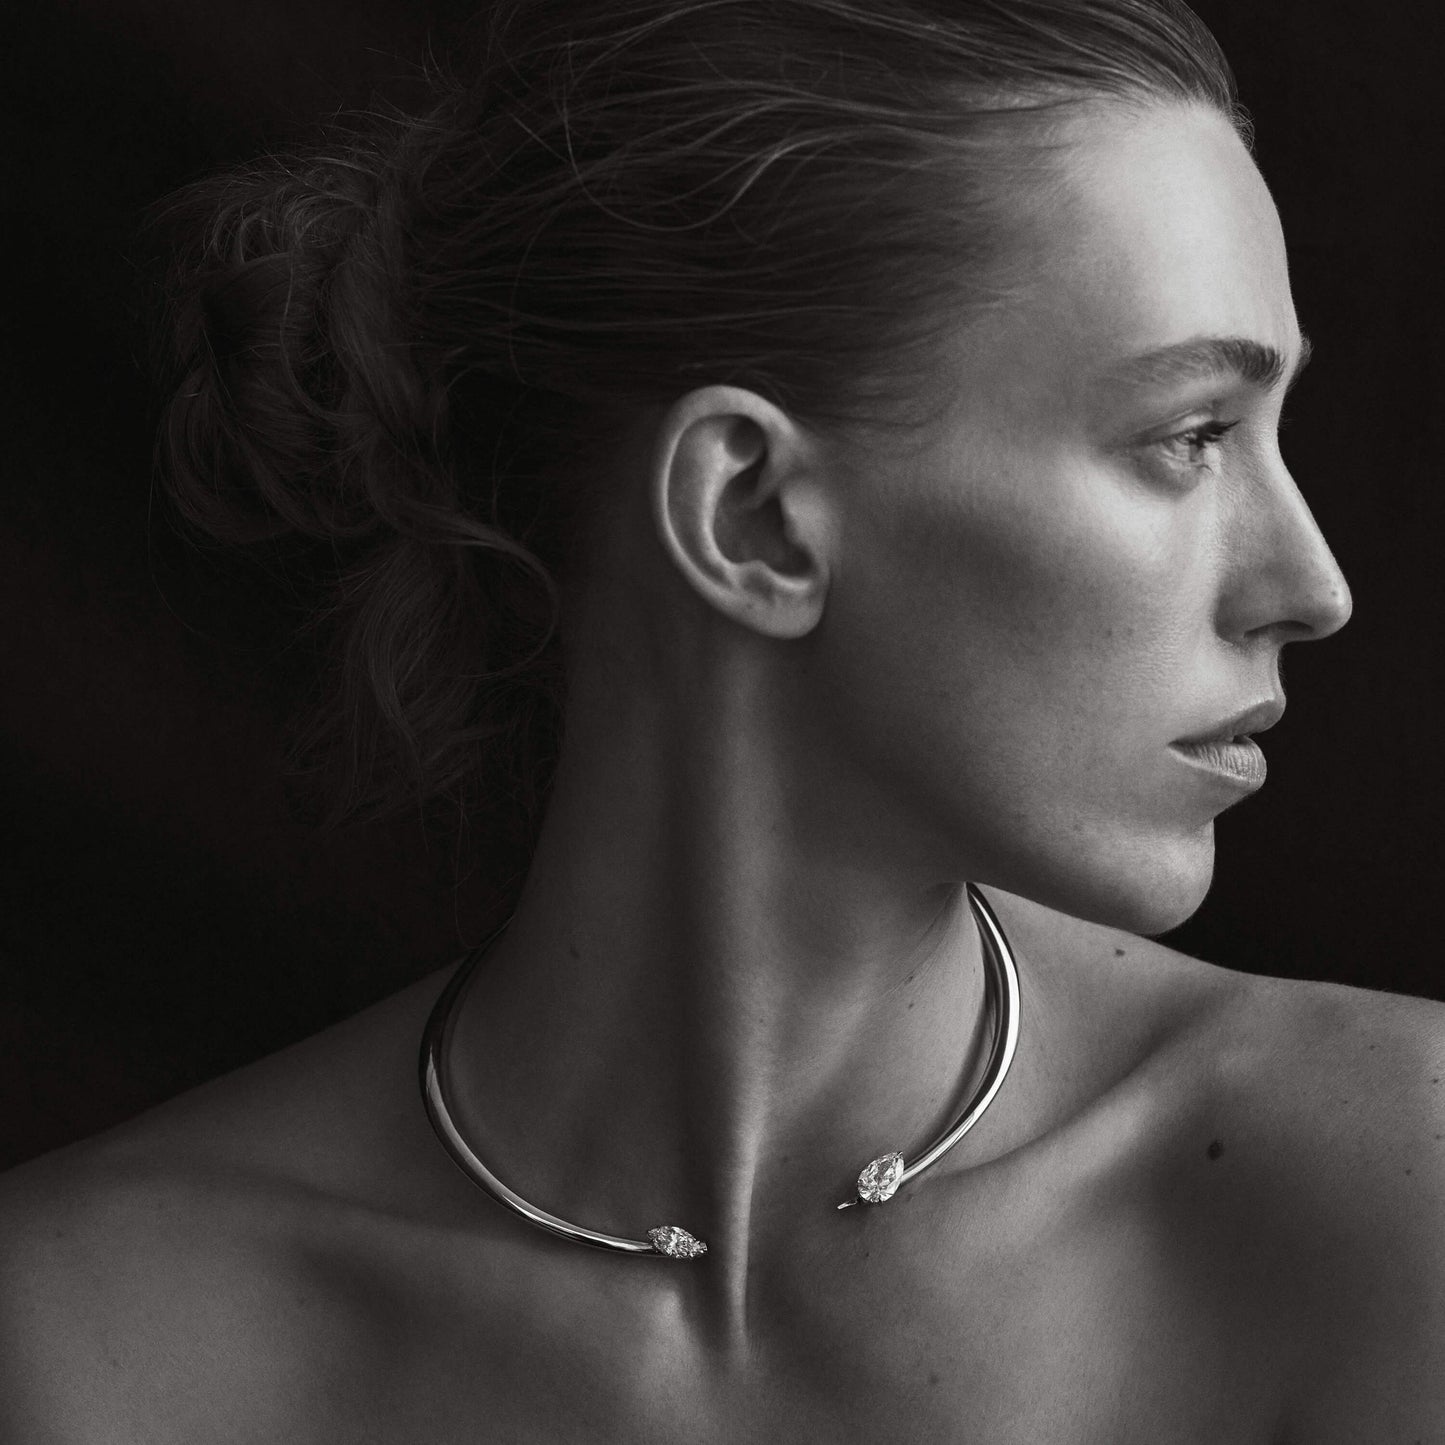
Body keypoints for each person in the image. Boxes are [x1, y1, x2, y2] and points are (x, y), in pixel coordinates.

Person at [2, 0, 1441, 1438]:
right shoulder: (87, 1353)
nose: (1311, 587)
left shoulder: (1395, 1195)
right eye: (1190, 436)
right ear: (749, 514)